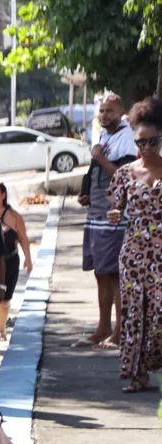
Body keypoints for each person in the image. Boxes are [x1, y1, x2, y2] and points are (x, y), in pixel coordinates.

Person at [106, 97, 162, 393]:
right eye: (141, 143)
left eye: (152, 142)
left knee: (159, 313)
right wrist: (114, 215)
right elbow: (115, 208)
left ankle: (155, 364)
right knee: (134, 314)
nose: (147, 148)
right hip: (134, 254)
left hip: (161, 255)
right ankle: (138, 374)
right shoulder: (125, 174)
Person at [77, 93, 137, 350]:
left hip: (115, 215)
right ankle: (103, 328)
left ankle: (120, 332)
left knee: (115, 274)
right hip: (97, 212)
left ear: (121, 112)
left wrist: (100, 157)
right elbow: (98, 171)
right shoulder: (104, 135)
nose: (104, 116)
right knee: (101, 273)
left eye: (109, 111)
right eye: (101, 111)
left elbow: (126, 175)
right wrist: (87, 191)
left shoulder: (129, 137)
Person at [0, 181, 33, 340]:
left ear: (3, 195)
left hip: (9, 262)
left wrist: (28, 259)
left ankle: (1, 329)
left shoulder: (13, 216)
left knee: (4, 299)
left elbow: (23, 238)